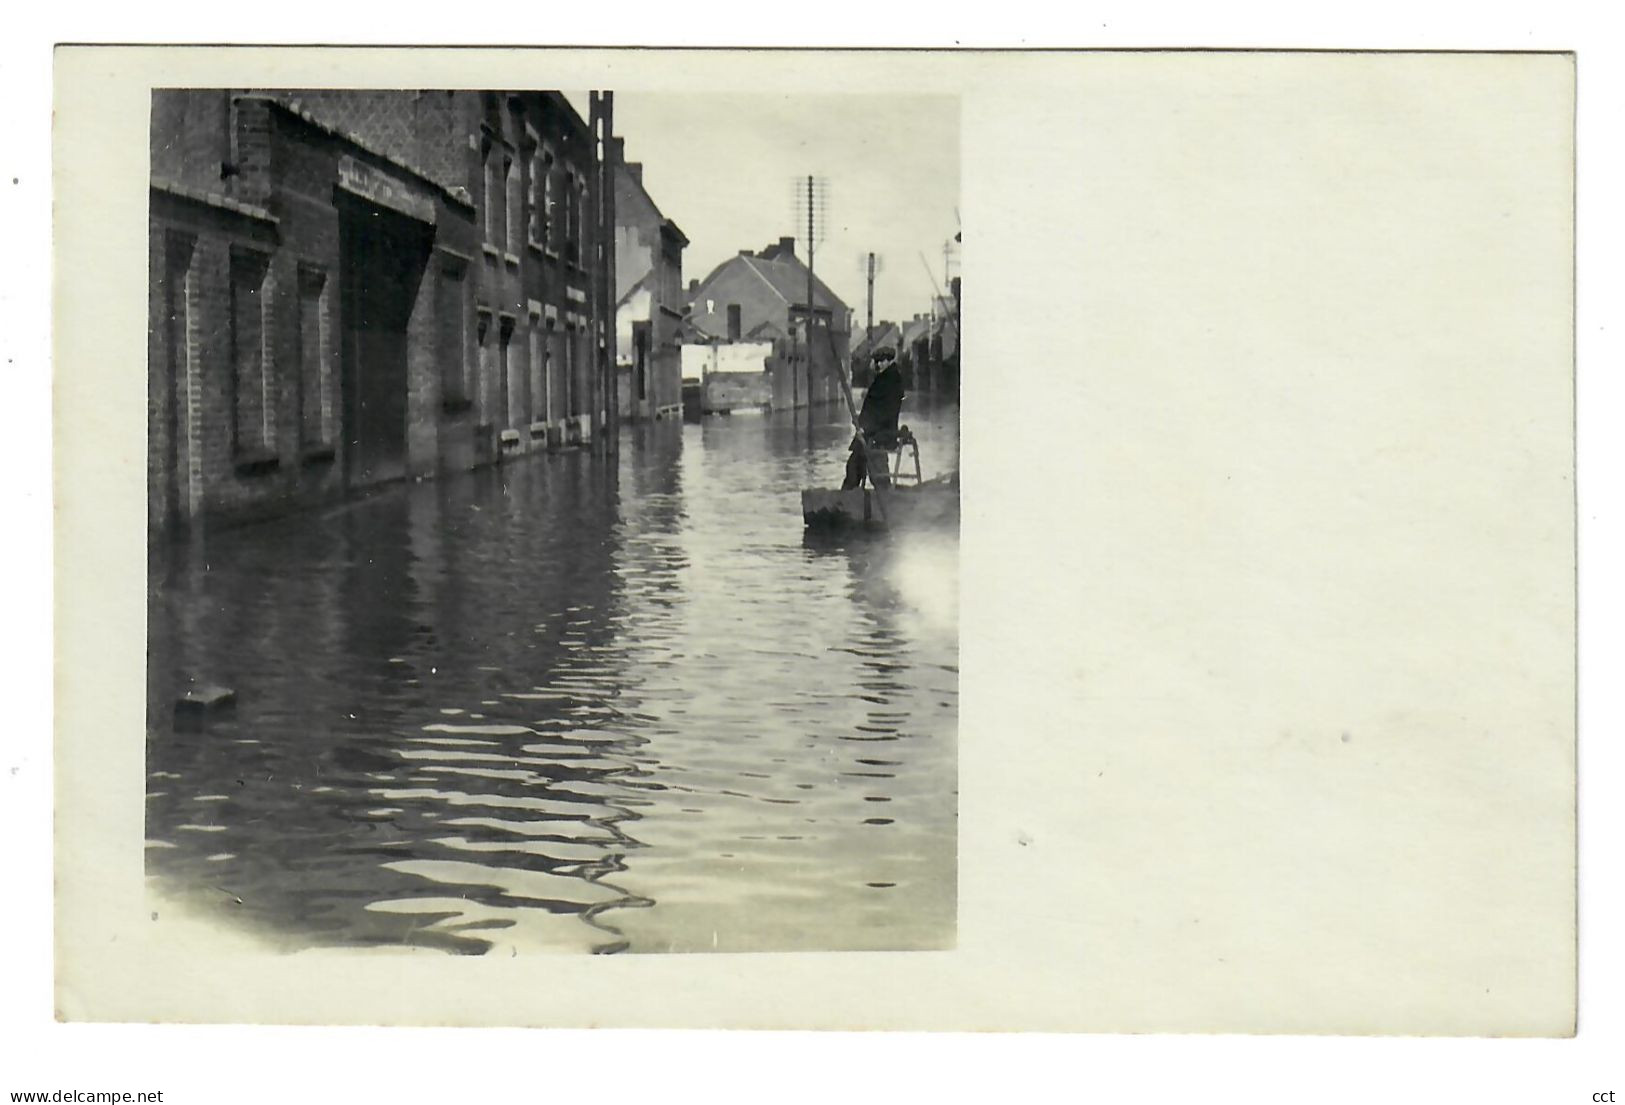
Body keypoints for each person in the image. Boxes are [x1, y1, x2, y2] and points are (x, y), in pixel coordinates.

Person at [842, 346, 906, 490]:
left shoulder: (890, 381)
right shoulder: (885, 379)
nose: (878, 365)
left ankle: (885, 503)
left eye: (881, 361)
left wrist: (865, 427)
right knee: (854, 467)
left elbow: (885, 412)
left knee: (877, 474)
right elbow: (874, 409)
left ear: (889, 361)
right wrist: (861, 421)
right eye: (877, 361)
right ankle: (845, 500)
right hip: (872, 433)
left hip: (878, 435)